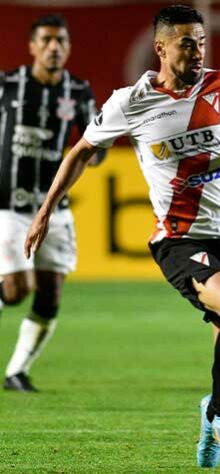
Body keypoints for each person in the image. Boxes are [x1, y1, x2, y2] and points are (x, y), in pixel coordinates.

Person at [23, 4, 220, 468]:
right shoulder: (131, 101)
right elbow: (82, 152)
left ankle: (211, 410)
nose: (197, 51)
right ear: (161, 47)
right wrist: (44, 212)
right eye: (187, 43)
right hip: (180, 239)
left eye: (202, 41)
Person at [0, 14, 105, 393]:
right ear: (32, 46)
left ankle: (16, 371)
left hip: (54, 208)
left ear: (68, 47)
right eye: (46, 40)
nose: (54, 47)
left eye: (60, 40)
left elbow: (98, 144)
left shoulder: (78, 92)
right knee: (16, 289)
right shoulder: (7, 85)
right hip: (8, 203)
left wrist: (92, 156)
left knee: (51, 292)